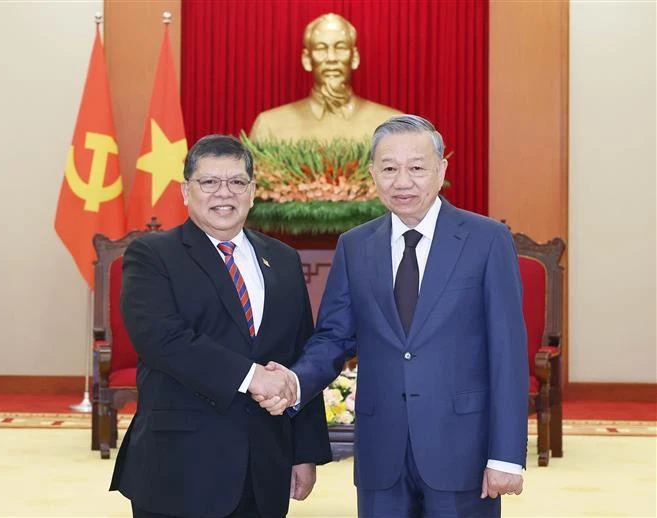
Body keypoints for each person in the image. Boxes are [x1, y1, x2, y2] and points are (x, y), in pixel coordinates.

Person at [257, 115, 529, 517]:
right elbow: (334, 336)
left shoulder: (486, 240)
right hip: (381, 452)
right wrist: (294, 381)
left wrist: (506, 456)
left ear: (441, 171)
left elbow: (507, 352)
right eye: (389, 168)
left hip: (462, 449)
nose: (402, 181)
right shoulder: (355, 245)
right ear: (373, 174)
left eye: (416, 168)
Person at [110, 135, 332, 518]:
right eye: (209, 182)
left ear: (252, 191)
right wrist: (251, 377)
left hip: (264, 466)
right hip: (180, 467)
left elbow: (300, 351)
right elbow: (161, 339)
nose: (223, 193)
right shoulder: (152, 255)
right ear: (186, 191)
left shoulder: (282, 259)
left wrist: (305, 453)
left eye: (236, 182)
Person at [249, 13, 401, 142]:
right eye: (321, 48)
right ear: (307, 59)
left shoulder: (391, 125)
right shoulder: (270, 126)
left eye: (340, 47)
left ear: (354, 57)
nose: (331, 58)